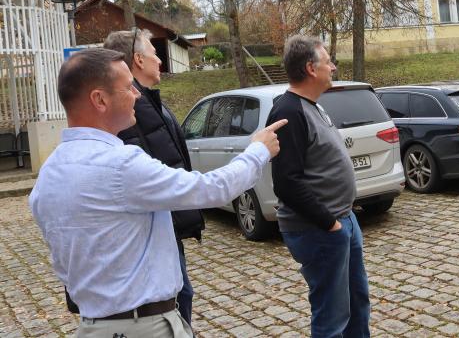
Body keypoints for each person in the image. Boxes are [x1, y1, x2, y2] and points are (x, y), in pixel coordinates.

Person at [29, 48, 287, 338]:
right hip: (143, 327)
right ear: (100, 99)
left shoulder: (48, 175)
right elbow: (209, 189)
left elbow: (64, 264)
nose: (137, 95)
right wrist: (257, 151)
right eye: (128, 87)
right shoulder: (120, 164)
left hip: (94, 327)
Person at [268, 36, 370, 338]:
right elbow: (286, 182)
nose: (334, 67)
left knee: (357, 304)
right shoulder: (288, 112)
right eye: (328, 62)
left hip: (342, 220)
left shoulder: (313, 106)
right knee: (332, 317)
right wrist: (330, 224)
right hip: (318, 229)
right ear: (311, 68)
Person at [103, 29, 202, 327]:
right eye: (154, 54)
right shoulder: (130, 109)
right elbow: (142, 175)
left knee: (183, 294)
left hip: (168, 225)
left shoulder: (151, 101)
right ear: (137, 59)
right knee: (178, 297)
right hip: (156, 227)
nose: (159, 60)